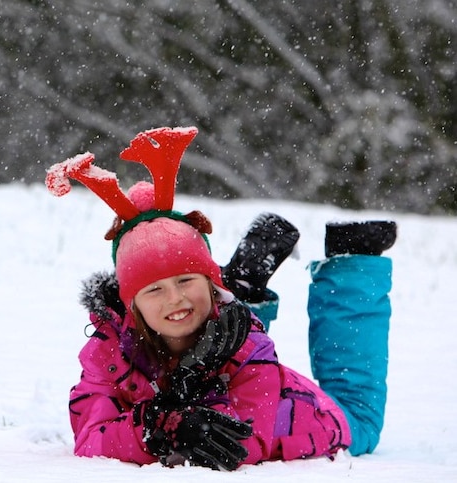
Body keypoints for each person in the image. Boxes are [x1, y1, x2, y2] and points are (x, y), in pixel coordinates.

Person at [46, 126, 397, 471]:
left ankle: (354, 261)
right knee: (213, 321)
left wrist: (196, 381)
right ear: (130, 304)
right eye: (154, 289)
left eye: (186, 280)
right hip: (229, 341)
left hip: (312, 419)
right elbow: (91, 438)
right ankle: (243, 290)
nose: (174, 298)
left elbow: (243, 443)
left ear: (210, 283)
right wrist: (158, 426)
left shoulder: (250, 347)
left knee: (360, 416)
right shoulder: (109, 351)